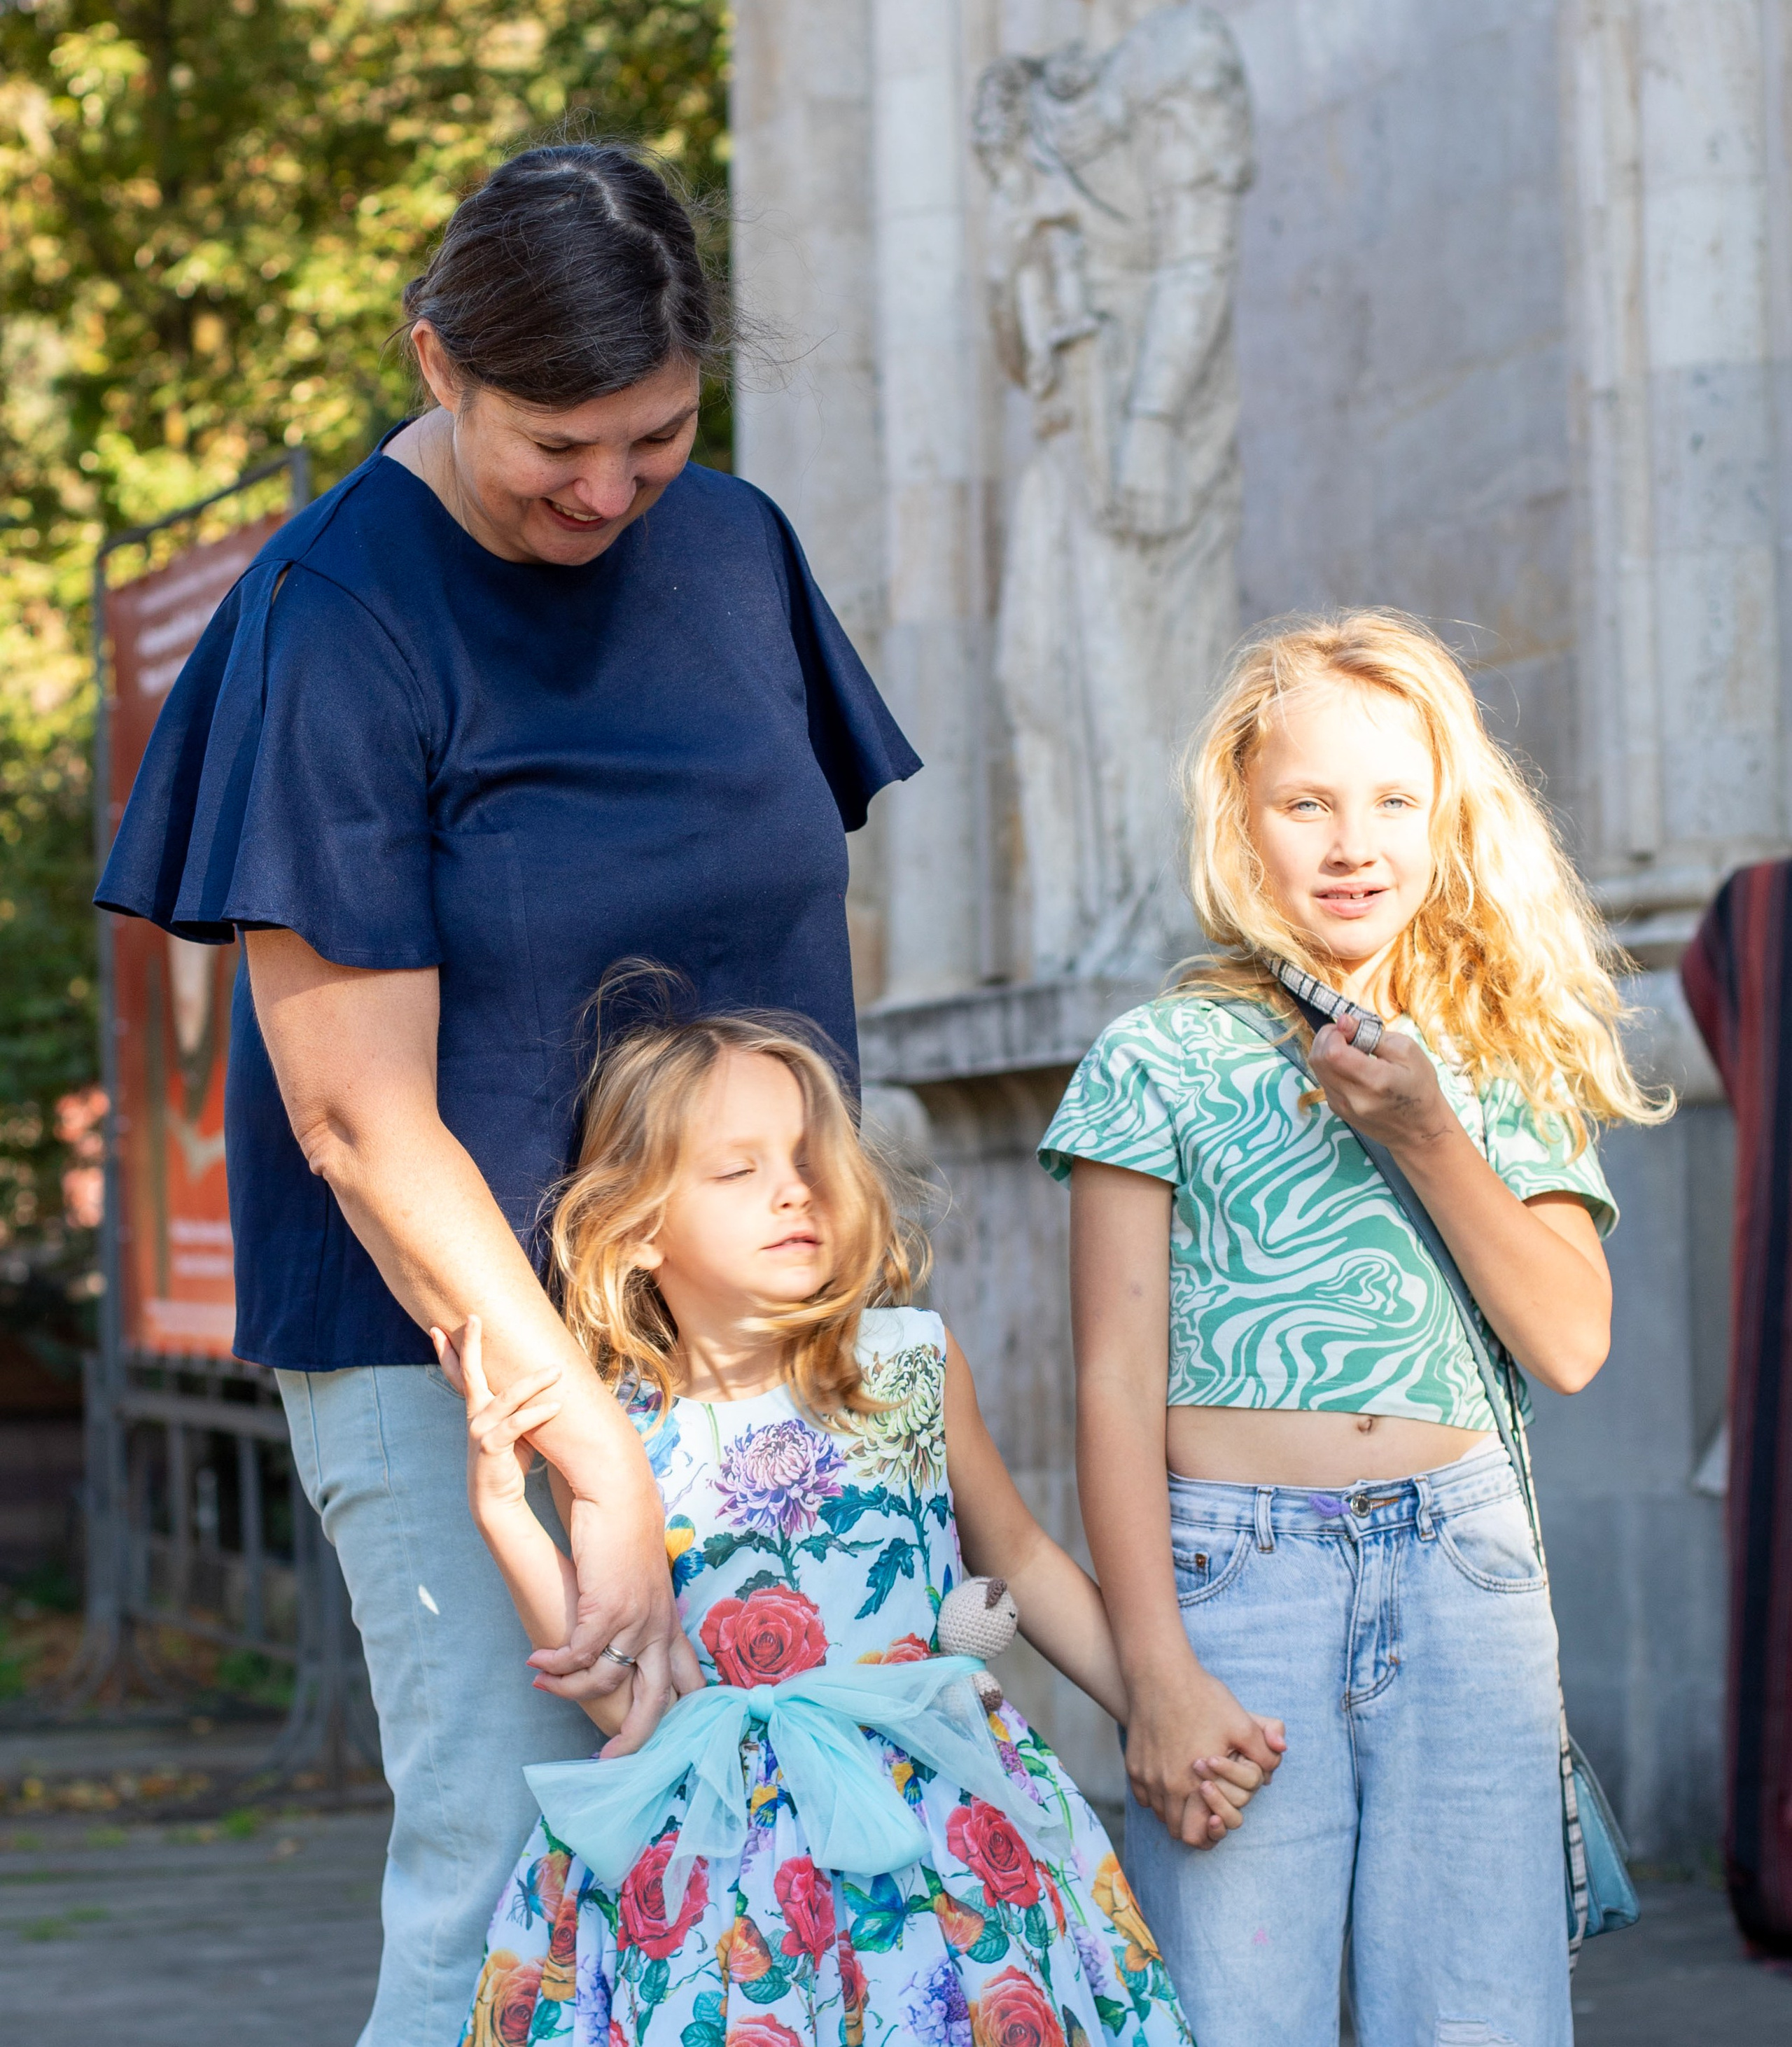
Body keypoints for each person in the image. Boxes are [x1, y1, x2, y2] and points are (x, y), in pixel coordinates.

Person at [94, 140, 919, 2045]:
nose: (613, 489)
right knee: (529, 1864)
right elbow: (360, 1119)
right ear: (440, 361)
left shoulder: (737, 548)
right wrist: (592, 1449)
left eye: (659, 432)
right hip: (457, 1346)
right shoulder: (331, 617)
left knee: (814, 1860)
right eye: (563, 441)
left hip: (761, 1331)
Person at [1039, 613, 1669, 2045]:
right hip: (1232, 1581)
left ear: (1446, 821)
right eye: (1304, 802)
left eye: (1392, 801)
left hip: (1461, 1573)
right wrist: (1154, 1674)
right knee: (1227, 2009)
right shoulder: (1158, 1054)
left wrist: (1429, 1132)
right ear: (1240, 817)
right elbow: (1111, 1376)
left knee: (1478, 2018)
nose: (1349, 842)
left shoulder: (1500, 1048)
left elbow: (1570, 1343)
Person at [428, 1008, 1275, 2047]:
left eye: (808, 1158)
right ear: (640, 1228)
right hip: (721, 1870)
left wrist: (1154, 1710)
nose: (796, 1191)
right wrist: (503, 1509)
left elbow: (1016, 1560)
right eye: (737, 1172)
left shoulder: (907, 1364)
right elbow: (621, 1700)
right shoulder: (615, 1430)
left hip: (941, 1832)